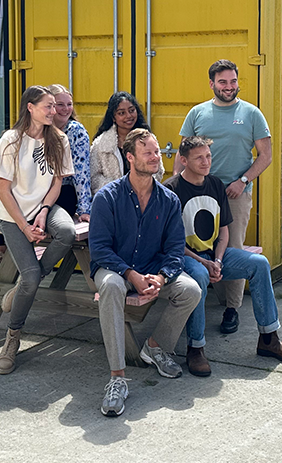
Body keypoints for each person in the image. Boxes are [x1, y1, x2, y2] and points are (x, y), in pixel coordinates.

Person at [165, 136, 282, 377]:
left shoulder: (215, 184)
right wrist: (204, 263)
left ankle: (269, 338)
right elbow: (171, 242)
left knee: (259, 263)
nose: (206, 162)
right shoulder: (171, 189)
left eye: (208, 156)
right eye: (199, 158)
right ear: (183, 161)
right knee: (199, 277)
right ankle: (195, 347)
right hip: (185, 257)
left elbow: (224, 231)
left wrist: (216, 260)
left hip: (213, 255)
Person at [89, 129, 200, 417]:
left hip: (152, 272)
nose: (156, 158)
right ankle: (117, 378)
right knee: (112, 287)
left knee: (191, 290)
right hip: (114, 269)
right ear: (129, 157)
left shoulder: (168, 200)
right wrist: (131, 275)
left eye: (157, 152)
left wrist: (161, 277)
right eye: (148, 152)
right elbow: (99, 250)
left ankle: (155, 346)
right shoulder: (107, 198)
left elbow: (175, 250)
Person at [175, 59, 272, 335]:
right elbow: (183, 155)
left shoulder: (252, 113)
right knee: (191, 243)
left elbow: (266, 155)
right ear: (212, 84)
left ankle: (232, 308)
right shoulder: (197, 113)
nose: (229, 87)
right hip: (196, 193)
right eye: (223, 82)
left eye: (232, 81)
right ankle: (193, 299)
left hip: (233, 193)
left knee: (233, 249)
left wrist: (243, 181)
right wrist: (174, 187)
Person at [0, 85, 76, 375]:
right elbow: (3, 191)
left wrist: (42, 212)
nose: (54, 111)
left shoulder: (59, 139)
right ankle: (12, 338)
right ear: (30, 107)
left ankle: (25, 286)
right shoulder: (10, 140)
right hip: (11, 214)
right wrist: (26, 227)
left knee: (67, 232)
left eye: (55, 106)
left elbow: (56, 183)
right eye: (48, 106)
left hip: (45, 207)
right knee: (30, 277)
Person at [90, 91, 165, 194]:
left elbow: (158, 170)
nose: (128, 116)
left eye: (132, 110)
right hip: (112, 201)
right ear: (113, 117)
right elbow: (94, 177)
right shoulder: (101, 144)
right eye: (121, 113)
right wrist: (117, 190)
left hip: (144, 197)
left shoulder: (148, 139)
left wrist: (142, 187)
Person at [47, 84, 92, 222]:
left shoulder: (75, 131)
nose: (66, 109)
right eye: (60, 104)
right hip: (38, 189)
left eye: (69, 104)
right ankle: (0, 244)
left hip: (64, 191)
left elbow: (81, 172)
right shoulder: (39, 128)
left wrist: (84, 209)